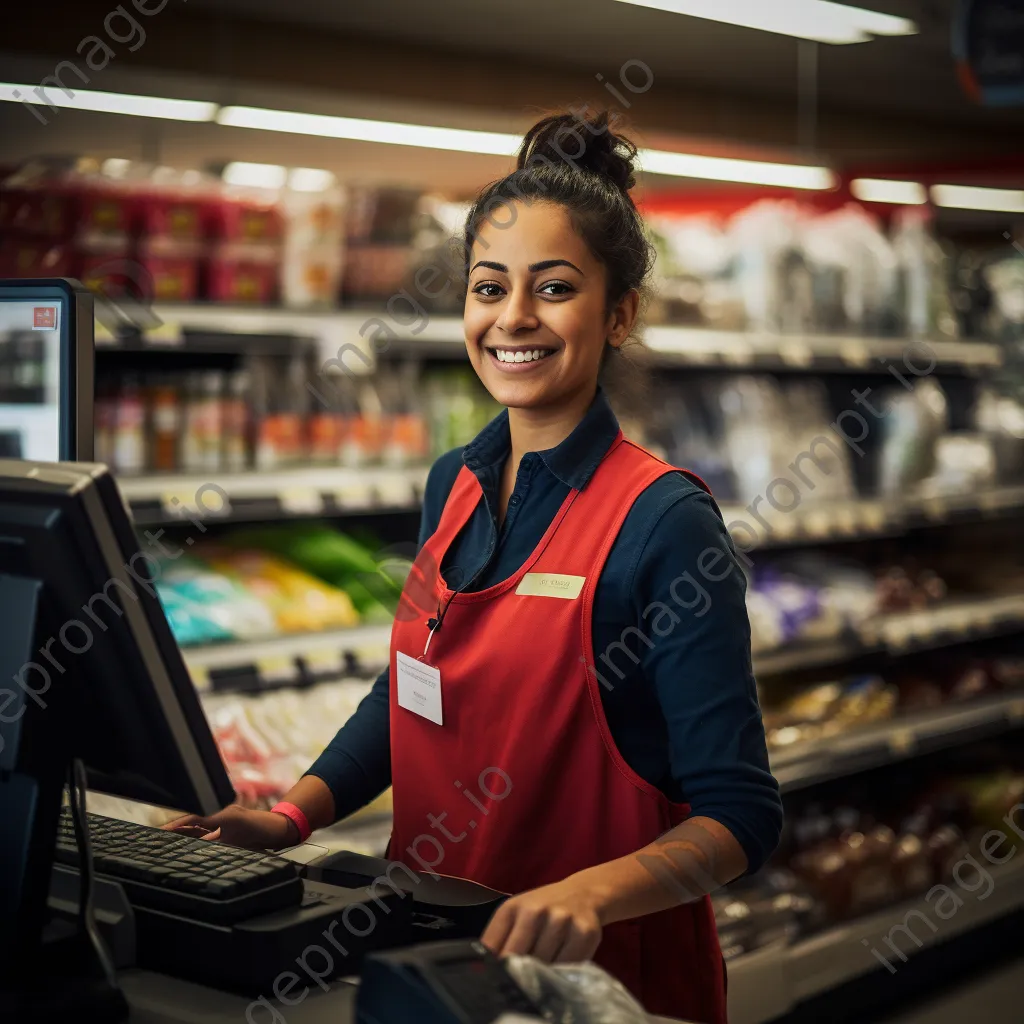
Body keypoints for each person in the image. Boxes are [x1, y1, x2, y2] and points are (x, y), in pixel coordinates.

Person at [167, 110, 782, 1023]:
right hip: (435, 962)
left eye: (555, 288)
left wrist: (592, 895)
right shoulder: (452, 484)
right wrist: (292, 814)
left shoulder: (664, 523)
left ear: (620, 315)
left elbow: (739, 817)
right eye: (488, 288)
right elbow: (411, 689)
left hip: (606, 988)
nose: (513, 318)